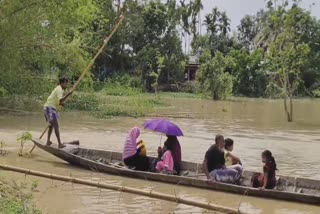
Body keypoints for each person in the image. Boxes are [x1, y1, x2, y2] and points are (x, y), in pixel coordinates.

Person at [43, 77, 72, 148]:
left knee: (51, 125)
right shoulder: (59, 89)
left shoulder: (59, 89)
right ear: (62, 83)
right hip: (50, 108)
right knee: (56, 125)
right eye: (65, 83)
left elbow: (59, 102)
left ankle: (48, 141)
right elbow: (60, 100)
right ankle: (59, 144)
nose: (66, 85)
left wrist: (62, 103)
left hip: (47, 107)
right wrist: (68, 94)